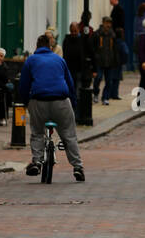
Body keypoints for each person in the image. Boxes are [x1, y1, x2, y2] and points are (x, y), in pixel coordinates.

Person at [17, 34, 84, 181]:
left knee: (37, 132)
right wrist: (72, 103)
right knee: (68, 134)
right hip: (61, 101)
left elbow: (23, 85)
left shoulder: (31, 60)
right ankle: (77, 167)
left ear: (36, 46)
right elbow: (70, 84)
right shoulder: (60, 60)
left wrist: (26, 102)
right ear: (50, 47)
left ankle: (36, 162)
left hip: (39, 100)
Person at [92, 17, 119, 105]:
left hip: (110, 61)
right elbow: (93, 48)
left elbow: (115, 48)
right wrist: (95, 58)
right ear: (103, 23)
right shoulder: (97, 34)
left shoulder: (112, 35)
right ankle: (96, 93)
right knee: (98, 78)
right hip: (99, 61)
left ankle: (105, 97)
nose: (108, 25)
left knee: (109, 81)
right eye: (107, 23)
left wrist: (115, 60)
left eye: (109, 23)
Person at [62, 20, 95, 88]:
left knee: (78, 88)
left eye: (75, 31)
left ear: (79, 30)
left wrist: (94, 69)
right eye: (72, 31)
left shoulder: (84, 40)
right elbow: (64, 53)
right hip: (70, 68)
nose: (73, 33)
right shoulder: (66, 40)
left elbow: (92, 53)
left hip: (80, 69)